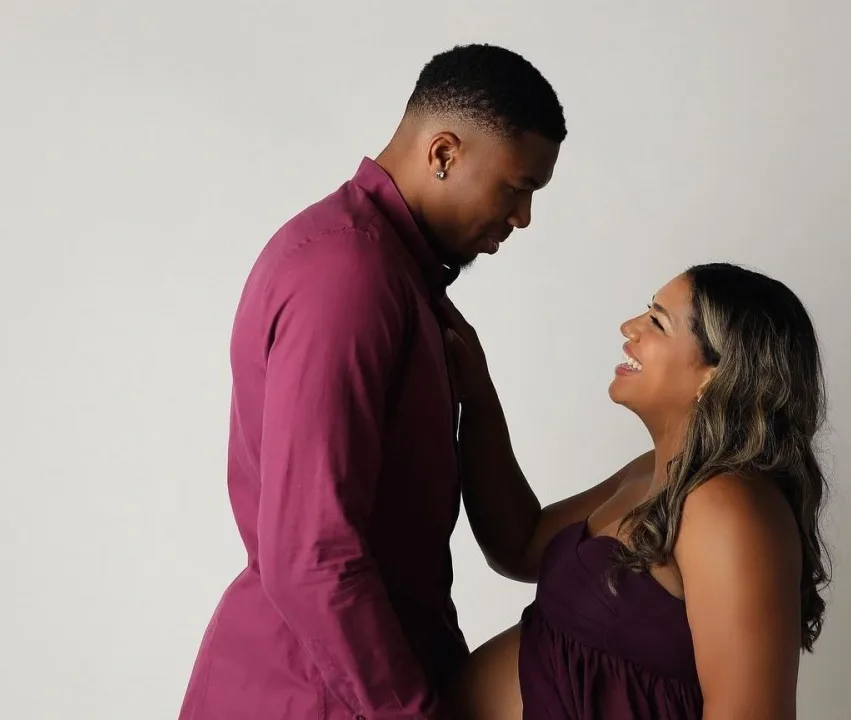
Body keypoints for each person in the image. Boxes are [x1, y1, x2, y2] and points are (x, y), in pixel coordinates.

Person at [178, 44, 565, 720]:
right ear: (443, 153)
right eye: (516, 188)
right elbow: (311, 555)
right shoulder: (348, 276)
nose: (524, 217)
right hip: (313, 696)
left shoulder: (389, 270)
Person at [445, 263, 830, 719]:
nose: (630, 327)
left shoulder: (729, 507)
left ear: (715, 374)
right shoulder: (654, 471)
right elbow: (521, 545)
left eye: (657, 322)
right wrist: (479, 398)